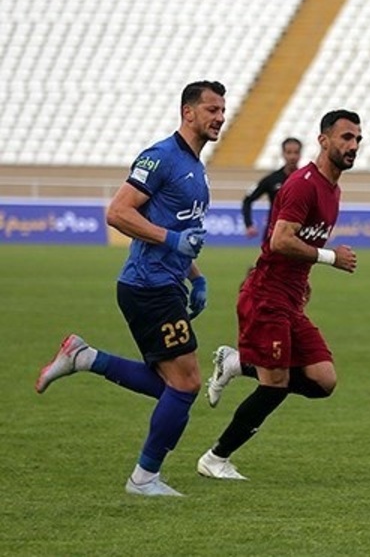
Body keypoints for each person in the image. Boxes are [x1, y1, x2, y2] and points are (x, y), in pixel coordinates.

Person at [34, 80, 226, 496]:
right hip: (147, 286)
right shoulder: (161, 157)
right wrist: (172, 241)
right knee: (187, 383)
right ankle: (144, 478)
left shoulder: (197, 166)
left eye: (222, 110)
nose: (220, 117)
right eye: (211, 109)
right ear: (188, 112)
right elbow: (118, 212)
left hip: (168, 284)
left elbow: (180, 232)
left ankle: (85, 358)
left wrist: (196, 276)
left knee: (172, 386)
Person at [196, 110, 361, 481]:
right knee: (276, 386)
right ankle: (215, 458)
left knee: (323, 381)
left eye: (357, 140)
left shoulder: (333, 189)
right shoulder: (303, 184)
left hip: (290, 297)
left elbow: (302, 240)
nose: (353, 146)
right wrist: (330, 257)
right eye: (346, 138)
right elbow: (280, 240)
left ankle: (238, 364)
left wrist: (305, 276)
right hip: (266, 297)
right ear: (323, 140)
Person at [242, 136, 303, 242]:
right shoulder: (271, 179)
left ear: (300, 154)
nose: (292, 156)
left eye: (296, 152)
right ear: (283, 154)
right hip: (273, 231)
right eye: (289, 152)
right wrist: (249, 224)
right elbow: (247, 200)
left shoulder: (306, 179)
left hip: (299, 232)